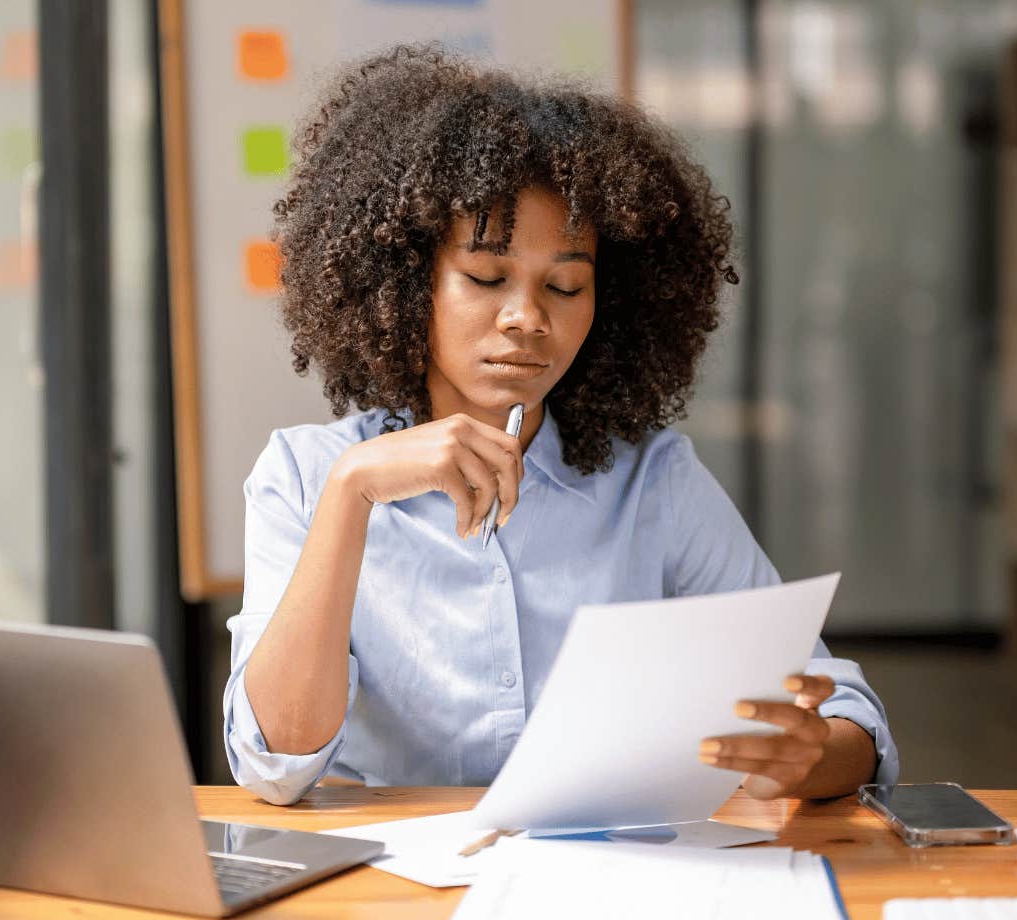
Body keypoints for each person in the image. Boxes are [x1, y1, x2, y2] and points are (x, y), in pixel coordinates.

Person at [224, 45, 898, 806]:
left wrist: (815, 757)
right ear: (410, 282)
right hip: (380, 901)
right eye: (485, 278)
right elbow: (274, 765)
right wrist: (352, 493)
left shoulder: (654, 483)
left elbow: (841, 711)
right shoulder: (308, 475)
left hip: (607, 885)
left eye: (566, 285)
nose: (527, 319)